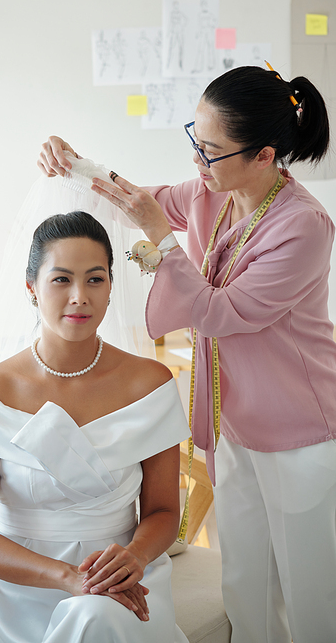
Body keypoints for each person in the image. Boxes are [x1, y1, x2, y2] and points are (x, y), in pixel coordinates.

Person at [38, 65, 336, 643]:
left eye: (213, 150)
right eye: (194, 141)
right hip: (233, 420)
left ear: (265, 155)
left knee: (309, 585)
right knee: (245, 574)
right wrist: (71, 164)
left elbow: (224, 314)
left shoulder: (305, 227)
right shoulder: (211, 193)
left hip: (299, 428)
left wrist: (164, 240)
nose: (198, 160)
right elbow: (135, 198)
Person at [0, 211, 190, 643]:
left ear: (111, 287)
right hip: (22, 590)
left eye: (95, 280)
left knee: (100, 617)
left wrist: (134, 557)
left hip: (122, 582)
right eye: (61, 280)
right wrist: (67, 578)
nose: (79, 296)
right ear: (31, 289)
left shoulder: (150, 384)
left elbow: (163, 511)